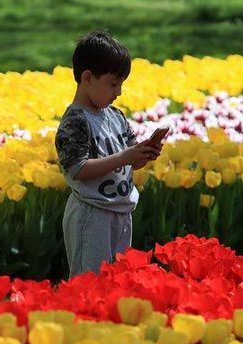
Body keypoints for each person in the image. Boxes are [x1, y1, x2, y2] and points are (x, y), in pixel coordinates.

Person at [55, 30, 162, 278]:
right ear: (88, 78)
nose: (118, 92)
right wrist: (125, 157)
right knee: (89, 281)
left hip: (121, 210)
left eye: (121, 85)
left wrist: (143, 153)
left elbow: (129, 160)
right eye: (113, 84)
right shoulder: (75, 121)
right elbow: (78, 169)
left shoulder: (115, 115)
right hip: (91, 214)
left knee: (117, 279)